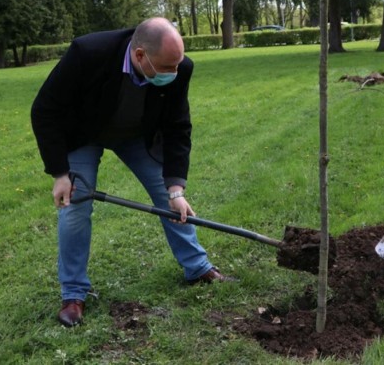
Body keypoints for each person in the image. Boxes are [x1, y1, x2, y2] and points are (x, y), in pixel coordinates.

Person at [31, 17, 236, 327]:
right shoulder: (88, 53)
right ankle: (73, 294)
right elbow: (45, 109)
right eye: (167, 67)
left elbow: (178, 127)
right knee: (75, 208)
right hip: (83, 134)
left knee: (168, 197)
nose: (175, 73)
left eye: (177, 65)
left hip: (137, 136)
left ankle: (197, 267)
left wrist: (176, 189)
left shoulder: (179, 67)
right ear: (140, 55)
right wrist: (60, 173)